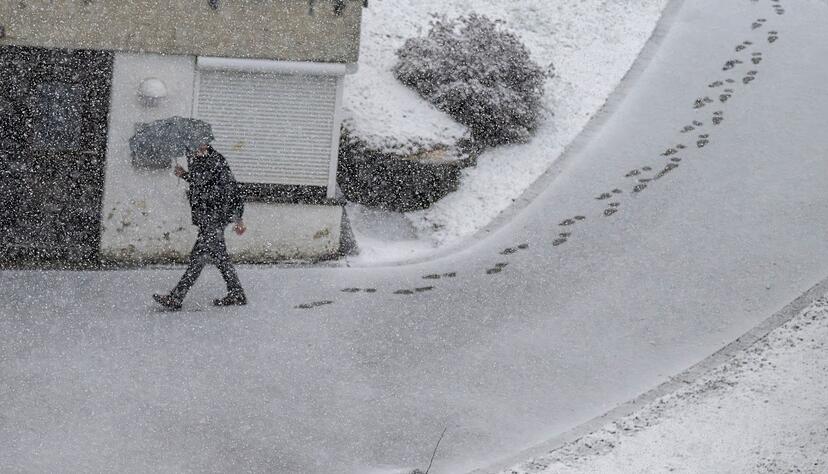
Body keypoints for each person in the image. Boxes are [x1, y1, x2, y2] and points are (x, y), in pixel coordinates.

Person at [153, 143, 247, 310]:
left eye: (199, 146)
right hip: (207, 218)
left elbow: (228, 189)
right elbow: (202, 183)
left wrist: (237, 218)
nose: (196, 150)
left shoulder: (215, 160)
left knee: (199, 257)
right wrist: (186, 175)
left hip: (215, 218)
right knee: (220, 259)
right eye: (193, 147)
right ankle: (236, 293)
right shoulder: (198, 160)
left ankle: (176, 297)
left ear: (206, 144)